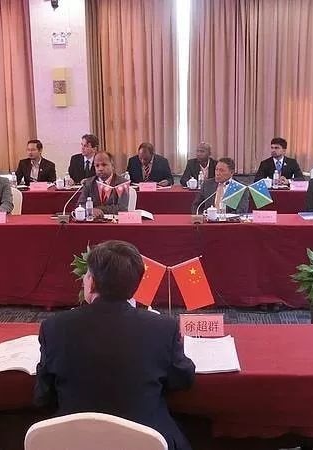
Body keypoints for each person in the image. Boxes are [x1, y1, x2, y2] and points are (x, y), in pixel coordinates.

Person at [35, 240, 195, 450]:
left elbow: (42, 396)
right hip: (146, 441)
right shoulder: (162, 328)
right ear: (136, 286)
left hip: (74, 441)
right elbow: (183, 378)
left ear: (91, 282)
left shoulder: (54, 327)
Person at [77, 151, 129, 217]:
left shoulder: (122, 183)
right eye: (97, 166)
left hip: (114, 223)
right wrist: (91, 210)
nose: (100, 169)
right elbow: (80, 205)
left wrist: (97, 209)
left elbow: (122, 208)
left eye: (104, 165)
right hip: (94, 223)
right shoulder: (88, 183)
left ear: (112, 166)